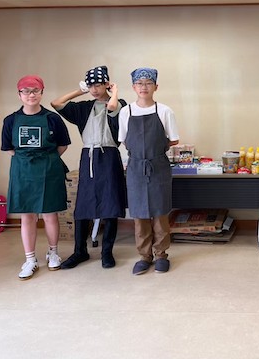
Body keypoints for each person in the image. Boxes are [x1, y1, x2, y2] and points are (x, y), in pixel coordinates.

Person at [51, 66, 127, 269]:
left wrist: (115, 91)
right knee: (83, 206)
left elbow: (111, 108)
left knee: (110, 205)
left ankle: (107, 252)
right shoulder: (83, 107)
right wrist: (80, 91)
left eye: (98, 85)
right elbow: (56, 103)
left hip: (109, 155)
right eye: (91, 85)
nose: (94, 89)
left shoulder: (120, 105)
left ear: (106, 85)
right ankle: (80, 251)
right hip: (89, 157)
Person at [1, 75, 71, 280]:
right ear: (19, 94)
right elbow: (9, 148)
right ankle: (30, 259)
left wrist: (45, 160)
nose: (31, 95)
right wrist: (27, 161)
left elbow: (63, 145)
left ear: (42, 92)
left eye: (35, 91)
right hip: (22, 172)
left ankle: (53, 253)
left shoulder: (52, 118)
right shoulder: (10, 120)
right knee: (28, 216)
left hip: (49, 171)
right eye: (26, 91)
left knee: (50, 214)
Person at [118, 67, 179, 275]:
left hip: (158, 165)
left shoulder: (164, 111)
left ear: (156, 86)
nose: (144, 87)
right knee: (139, 214)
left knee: (160, 213)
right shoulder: (126, 112)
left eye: (148, 83)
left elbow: (173, 139)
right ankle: (144, 256)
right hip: (135, 167)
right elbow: (125, 140)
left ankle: (161, 254)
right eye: (140, 83)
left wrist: (153, 152)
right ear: (134, 87)